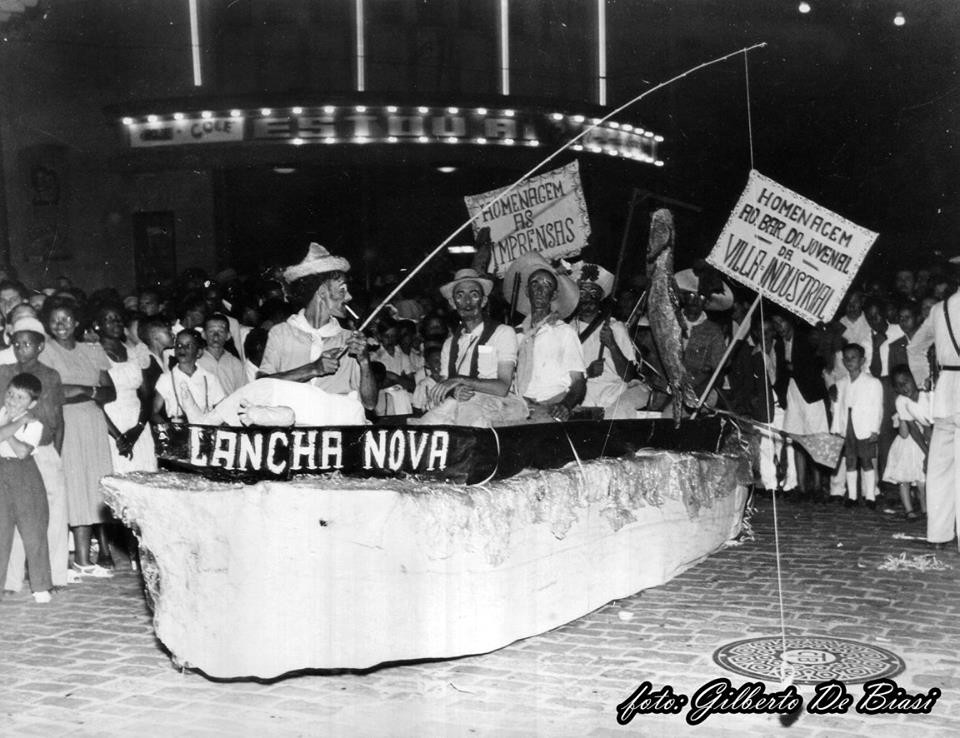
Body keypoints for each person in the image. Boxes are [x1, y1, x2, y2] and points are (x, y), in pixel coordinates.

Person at [39, 298, 117, 578]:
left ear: (76, 322)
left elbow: (110, 393)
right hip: (65, 424)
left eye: (66, 319)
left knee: (92, 488)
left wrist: (85, 391)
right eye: (55, 320)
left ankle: (84, 560)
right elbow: (54, 392)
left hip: (94, 425)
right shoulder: (45, 351)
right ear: (48, 324)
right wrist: (90, 389)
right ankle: (74, 559)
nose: (61, 325)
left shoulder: (92, 350)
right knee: (71, 487)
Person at [258, 243, 377, 411]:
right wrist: (313, 369)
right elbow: (262, 386)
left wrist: (364, 361)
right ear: (322, 292)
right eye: (342, 289)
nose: (349, 297)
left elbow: (370, 404)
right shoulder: (281, 333)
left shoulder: (349, 339)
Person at [1, 317, 69, 591]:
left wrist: (55, 454)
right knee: (12, 516)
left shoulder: (50, 376)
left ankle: (53, 577)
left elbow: (56, 420)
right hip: (9, 449)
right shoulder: (4, 371)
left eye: (27, 344)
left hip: (40, 448)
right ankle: (11, 580)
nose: (21, 349)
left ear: (40, 346)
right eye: (16, 344)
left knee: (49, 514)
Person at [415, 268, 523, 426]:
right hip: (459, 406)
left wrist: (459, 380)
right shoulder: (449, 344)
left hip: (496, 406)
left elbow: (502, 387)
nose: (467, 302)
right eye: (460, 295)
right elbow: (446, 384)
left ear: (484, 301)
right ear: (452, 303)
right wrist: (455, 390)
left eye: (474, 295)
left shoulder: (503, 333)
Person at [907, 282, 960, 550]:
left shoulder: (939, 310)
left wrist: (922, 381)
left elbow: (914, 348)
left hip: (945, 393)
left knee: (940, 467)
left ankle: (938, 534)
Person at [507, 253, 585, 422]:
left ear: (554, 294)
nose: (540, 290)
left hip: (553, 404)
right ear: (527, 291)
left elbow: (579, 382)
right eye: (535, 284)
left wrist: (566, 405)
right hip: (521, 405)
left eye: (547, 285)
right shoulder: (514, 334)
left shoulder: (564, 332)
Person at [568, 261, 649, 419]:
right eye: (582, 293)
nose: (588, 299)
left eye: (593, 293)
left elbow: (629, 375)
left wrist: (612, 344)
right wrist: (586, 373)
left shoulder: (616, 327)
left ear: (600, 297)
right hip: (580, 401)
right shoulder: (566, 331)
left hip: (613, 400)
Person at [0, 373, 53, 603]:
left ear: (31, 404)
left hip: (25, 476)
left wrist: (10, 427)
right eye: (10, 394)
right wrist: (15, 423)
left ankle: (40, 585)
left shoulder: (35, 424)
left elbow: (22, 451)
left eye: (20, 398)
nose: (12, 400)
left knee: (33, 531)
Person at [831, 343, 883, 508]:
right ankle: (852, 496)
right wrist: (836, 429)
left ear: (862, 360)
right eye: (846, 358)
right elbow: (837, 408)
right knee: (850, 460)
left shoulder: (872, 382)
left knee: (866, 460)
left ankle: (870, 496)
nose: (849, 361)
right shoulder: (841, 383)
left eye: (853, 358)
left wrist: (875, 429)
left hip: (865, 426)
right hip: (847, 426)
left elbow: (877, 407)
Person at [885, 364, 931, 520]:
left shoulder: (926, 395)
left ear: (914, 379)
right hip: (909, 445)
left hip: (927, 439)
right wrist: (927, 452)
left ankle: (926, 509)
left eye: (906, 382)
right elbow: (912, 430)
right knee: (904, 479)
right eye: (898, 385)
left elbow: (929, 426)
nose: (903, 387)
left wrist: (930, 450)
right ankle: (909, 510)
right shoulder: (901, 401)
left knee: (922, 480)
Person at [152, 329, 226, 423]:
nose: (182, 349)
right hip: (179, 430)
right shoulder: (166, 379)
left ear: (199, 352)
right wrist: (165, 428)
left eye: (188, 346)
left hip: (206, 429)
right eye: (179, 345)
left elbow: (222, 409)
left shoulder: (210, 378)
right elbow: (153, 411)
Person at [198, 312, 247, 395]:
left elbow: (243, 392)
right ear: (203, 334)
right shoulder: (197, 360)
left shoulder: (235, 363)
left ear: (228, 335)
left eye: (221, 331)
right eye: (211, 331)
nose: (216, 336)